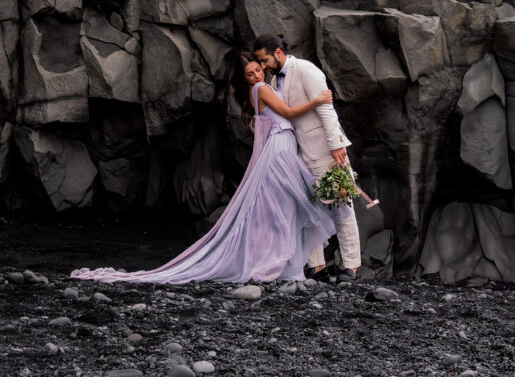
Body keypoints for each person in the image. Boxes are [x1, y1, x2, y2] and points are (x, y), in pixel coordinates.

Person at [70, 53, 336, 284]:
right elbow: (288, 114)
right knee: (284, 204)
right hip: (281, 146)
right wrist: (318, 100)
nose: (255, 75)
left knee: (279, 205)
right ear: (244, 79)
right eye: (250, 74)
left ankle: (281, 261)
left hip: (281, 144)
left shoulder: (263, 88)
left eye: (257, 69)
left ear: (263, 67)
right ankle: (277, 262)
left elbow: (267, 119)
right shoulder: (262, 90)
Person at [253, 33, 361, 281]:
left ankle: (352, 266)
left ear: (277, 53)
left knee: (341, 205)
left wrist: (335, 144)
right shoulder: (275, 79)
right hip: (300, 155)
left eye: (265, 60)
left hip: (325, 149)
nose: (263, 66)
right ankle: (317, 267)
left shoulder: (305, 69)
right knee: (309, 209)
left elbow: (325, 107)